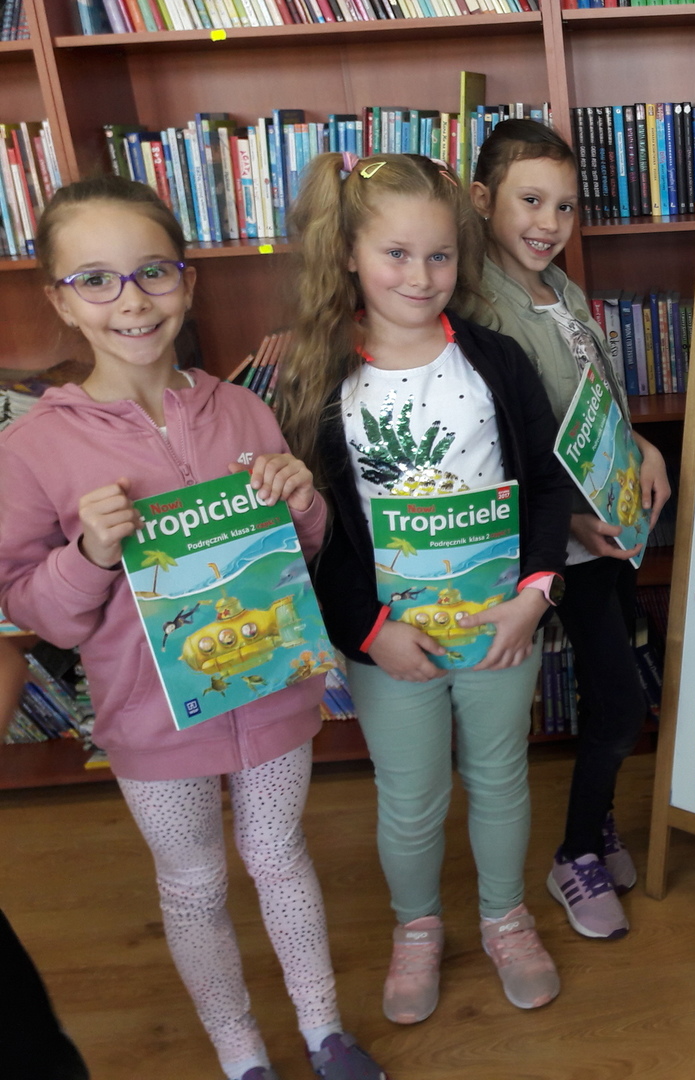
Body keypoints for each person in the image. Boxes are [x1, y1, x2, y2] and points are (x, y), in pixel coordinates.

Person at [0, 176, 385, 1080]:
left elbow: (298, 552)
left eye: (153, 272)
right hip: (152, 724)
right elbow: (30, 606)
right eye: (96, 280)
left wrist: (304, 502)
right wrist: (90, 553)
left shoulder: (244, 409)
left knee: (281, 858)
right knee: (194, 885)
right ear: (60, 300)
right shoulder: (35, 447)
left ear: (188, 280)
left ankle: (323, 1029)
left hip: (272, 695)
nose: (132, 300)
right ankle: (241, 1051)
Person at [275, 152, 573, 1027]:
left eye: (440, 256)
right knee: (410, 799)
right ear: (350, 256)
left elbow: (547, 482)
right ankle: (417, 928)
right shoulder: (321, 380)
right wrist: (369, 631)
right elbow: (317, 533)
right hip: (390, 643)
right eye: (396, 254)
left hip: (500, 625)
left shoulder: (496, 361)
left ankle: (505, 917)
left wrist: (535, 596)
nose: (420, 275)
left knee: (500, 777)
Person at [470, 120, 670, 941]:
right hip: (565, 542)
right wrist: (571, 526)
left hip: (613, 527)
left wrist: (646, 447)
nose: (549, 222)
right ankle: (575, 852)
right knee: (620, 703)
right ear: (482, 200)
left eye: (565, 206)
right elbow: (496, 452)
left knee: (615, 684)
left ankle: (598, 818)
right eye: (530, 200)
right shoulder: (478, 312)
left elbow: (600, 408)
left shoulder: (566, 292)